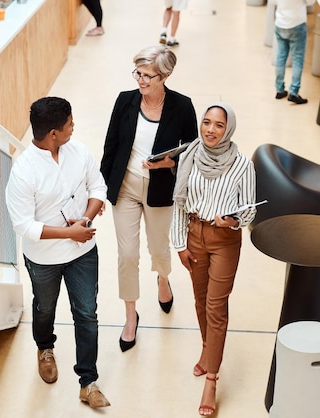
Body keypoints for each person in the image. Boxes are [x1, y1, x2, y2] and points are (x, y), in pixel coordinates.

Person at [5, 97, 110, 409]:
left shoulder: (78, 152)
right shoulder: (23, 171)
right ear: (53, 133)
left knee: (87, 313)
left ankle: (88, 382)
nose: (73, 126)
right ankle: (45, 348)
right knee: (44, 309)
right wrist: (70, 232)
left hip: (83, 252)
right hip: (44, 259)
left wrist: (86, 220)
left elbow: (98, 188)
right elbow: (24, 225)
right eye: (69, 124)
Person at [100, 45, 198, 352]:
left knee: (159, 249)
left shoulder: (182, 107)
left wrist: (170, 163)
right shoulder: (125, 101)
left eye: (148, 76)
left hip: (160, 191)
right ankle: (131, 316)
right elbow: (110, 147)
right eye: (138, 74)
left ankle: (163, 279)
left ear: (165, 75)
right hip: (126, 187)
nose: (141, 81)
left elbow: (194, 154)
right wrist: (102, 191)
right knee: (127, 255)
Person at [171, 103, 257, 417]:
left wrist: (233, 219)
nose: (210, 130)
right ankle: (208, 349)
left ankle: (212, 378)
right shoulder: (189, 157)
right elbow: (180, 203)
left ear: (228, 129)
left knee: (215, 307)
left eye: (218, 125)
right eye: (206, 123)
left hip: (224, 241)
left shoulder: (242, 165)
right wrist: (180, 243)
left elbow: (250, 210)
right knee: (199, 299)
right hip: (194, 234)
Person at [272, 0, 315, 104]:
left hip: (280, 23)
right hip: (297, 24)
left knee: (281, 57)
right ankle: (294, 92)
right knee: (297, 59)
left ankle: (279, 89)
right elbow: (310, 2)